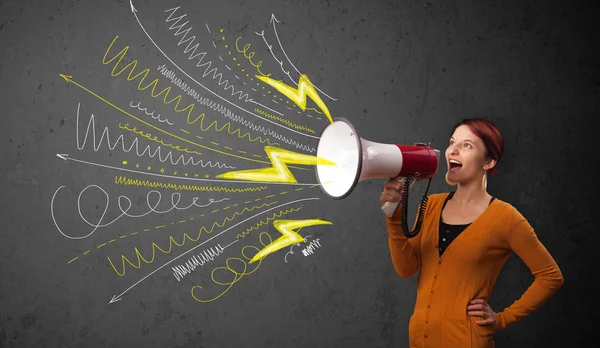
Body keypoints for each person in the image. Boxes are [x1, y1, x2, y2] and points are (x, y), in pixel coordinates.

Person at [380, 118, 564, 347]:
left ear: (489, 161)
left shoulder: (506, 218)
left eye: (467, 145)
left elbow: (551, 276)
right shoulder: (432, 206)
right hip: (419, 340)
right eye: (452, 142)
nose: (452, 150)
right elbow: (406, 269)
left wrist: (503, 319)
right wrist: (394, 218)